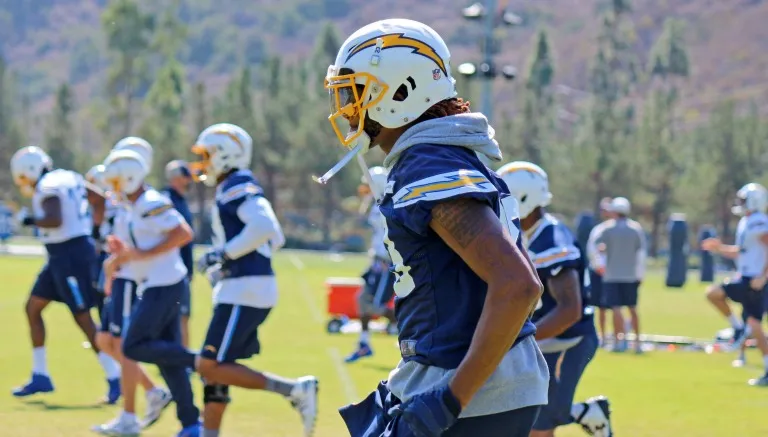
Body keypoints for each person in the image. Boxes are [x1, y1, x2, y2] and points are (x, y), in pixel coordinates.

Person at [321, 19, 548, 436]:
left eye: (355, 91)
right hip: (462, 378)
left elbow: (518, 285)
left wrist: (448, 399)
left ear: (399, 91)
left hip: (471, 391)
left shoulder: (429, 164)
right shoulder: (435, 157)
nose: (346, 106)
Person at [190, 123, 319, 437]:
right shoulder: (232, 186)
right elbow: (275, 237)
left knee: (208, 365)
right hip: (242, 285)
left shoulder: (238, 183)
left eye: (207, 155)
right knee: (216, 371)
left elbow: (264, 225)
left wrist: (224, 254)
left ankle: (294, 389)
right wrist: (230, 261)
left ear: (225, 154)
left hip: (244, 289)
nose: (203, 162)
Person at [498, 161, 612, 437]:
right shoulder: (522, 235)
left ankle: (585, 413)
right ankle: (586, 412)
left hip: (568, 339)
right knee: (529, 417)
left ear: (522, 198)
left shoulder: (551, 240)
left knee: (541, 422)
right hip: (542, 338)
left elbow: (569, 310)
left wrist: (519, 340)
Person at [9, 146, 121, 401]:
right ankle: (41, 375)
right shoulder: (69, 176)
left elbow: (54, 219)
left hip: (69, 256)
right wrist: (91, 233)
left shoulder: (48, 186)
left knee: (82, 317)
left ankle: (115, 378)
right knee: (33, 307)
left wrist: (30, 220)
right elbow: (99, 199)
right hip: (64, 254)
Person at [102, 149, 201, 436]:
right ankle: (191, 424)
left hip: (165, 285)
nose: (114, 189)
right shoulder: (134, 207)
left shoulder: (151, 201)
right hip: (158, 284)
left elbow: (183, 233)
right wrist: (123, 254)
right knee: (166, 360)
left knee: (132, 345)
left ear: (130, 179)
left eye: (117, 182)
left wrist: (142, 253)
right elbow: (138, 250)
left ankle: (199, 361)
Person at [91, 142, 173, 435]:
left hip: (132, 278)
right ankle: (153, 391)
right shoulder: (126, 200)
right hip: (121, 273)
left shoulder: (146, 201)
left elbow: (177, 234)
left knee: (125, 344)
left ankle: (129, 414)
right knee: (105, 340)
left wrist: (129, 259)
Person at [703, 183, 768, 386]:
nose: (739, 203)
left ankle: (764, 364)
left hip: (755, 280)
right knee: (714, 294)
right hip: (745, 277)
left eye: (743, 199)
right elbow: (742, 251)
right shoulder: (746, 222)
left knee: (755, 325)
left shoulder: (759, 222)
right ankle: (738, 328)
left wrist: (764, 276)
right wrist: (719, 248)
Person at [345, 166, 398, 363]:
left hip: (387, 263)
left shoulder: (390, 206)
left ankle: (414, 331)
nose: (366, 189)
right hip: (377, 261)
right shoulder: (379, 205)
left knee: (375, 305)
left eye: (369, 185)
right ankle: (364, 343)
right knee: (362, 300)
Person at [589, 197, 646, 353]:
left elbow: (595, 248)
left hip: (612, 275)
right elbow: (641, 253)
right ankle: (638, 342)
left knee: (616, 309)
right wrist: (640, 274)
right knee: (633, 309)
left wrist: (599, 265)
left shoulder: (607, 229)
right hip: (631, 275)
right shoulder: (636, 229)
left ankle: (618, 341)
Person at [163, 159, 195, 348]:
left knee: (183, 316)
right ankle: (179, 360)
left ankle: (180, 359)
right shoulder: (168, 200)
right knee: (178, 317)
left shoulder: (181, 200)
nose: (188, 180)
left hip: (182, 268)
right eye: (185, 176)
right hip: (172, 269)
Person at [586, 198, 615, 346]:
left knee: (618, 307)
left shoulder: (617, 229)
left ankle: (618, 338)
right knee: (601, 307)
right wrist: (599, 267)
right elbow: (592, 250)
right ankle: (603, 337)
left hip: (615, 274)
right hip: (599, 273)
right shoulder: (598, 230)